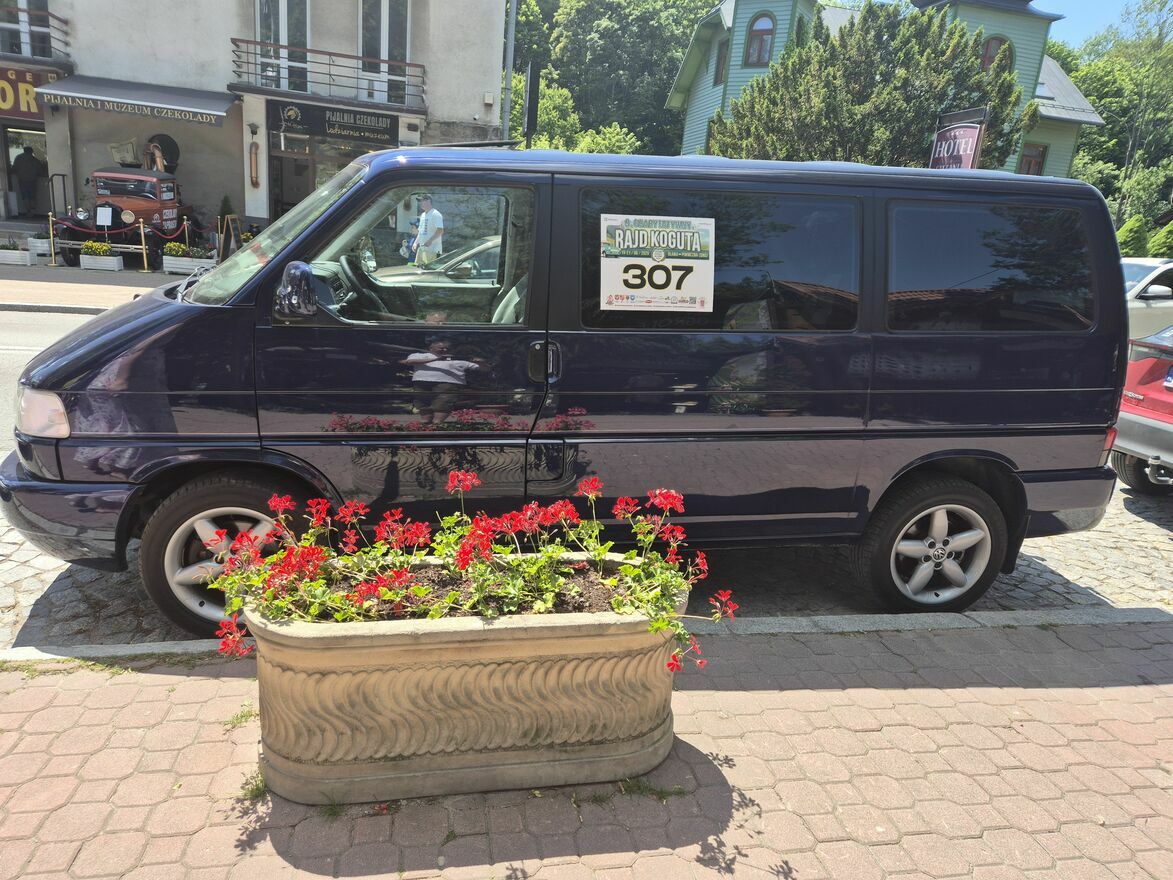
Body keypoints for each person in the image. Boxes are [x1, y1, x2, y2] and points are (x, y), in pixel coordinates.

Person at [401, 341, 481, 423]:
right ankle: (425, 423)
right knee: (423, 404)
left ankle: (437, 424)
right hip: (421, 382)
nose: (445, 350)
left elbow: (481, 368)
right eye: (441, 348)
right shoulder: (418, 355)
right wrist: (437, 359)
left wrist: (481, 362)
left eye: (447, 348)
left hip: (448, 384)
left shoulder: (458, 358)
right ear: (431, 348)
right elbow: (408, 362)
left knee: (443, 403)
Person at [413, 194, 443, 268]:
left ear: (428, 201)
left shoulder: (436, 214)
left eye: (422, 201)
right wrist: (415, 243)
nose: (420, 203)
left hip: (433, 250)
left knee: (430, 271)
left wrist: (430, 241)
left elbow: (440, 231)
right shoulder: (423, 215)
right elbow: (420, 231)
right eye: (420, 201)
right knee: (419, 269)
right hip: (422, 249)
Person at [12, 147, 43, 217]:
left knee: (25, 196)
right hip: (32, 180)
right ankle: (33, 211)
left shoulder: (18, 158)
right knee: (32, 196)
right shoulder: (34, 159)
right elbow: (40, 170)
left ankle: (28, 211)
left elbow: (14, 168)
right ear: (31, 151)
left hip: (22, 180)